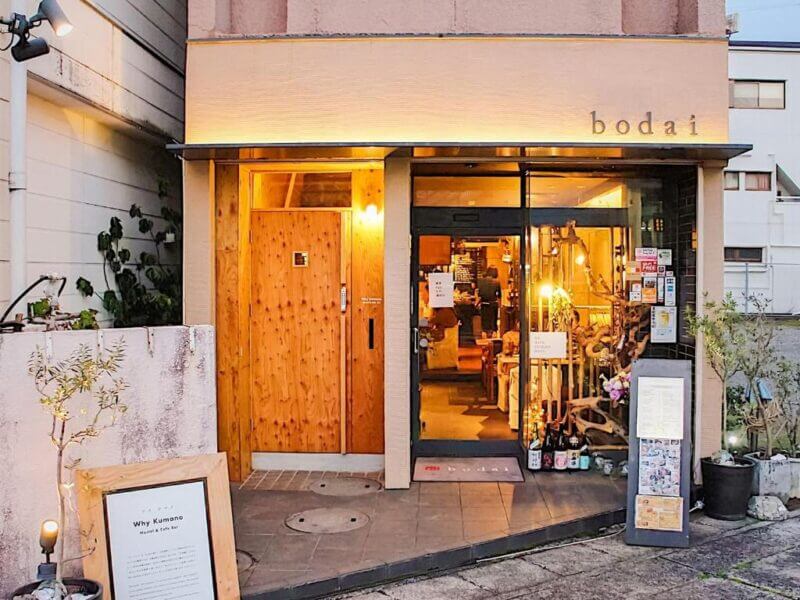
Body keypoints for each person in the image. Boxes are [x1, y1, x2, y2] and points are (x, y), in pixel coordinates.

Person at [477, 266, 500, 337]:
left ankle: (484, 332)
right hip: (493, 303)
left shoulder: (480, 281)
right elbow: (499, 295)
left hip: (484, 303)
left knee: (484, 319)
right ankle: (493, 332)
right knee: (493, 319)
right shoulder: (496, 282)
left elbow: (479, 294)